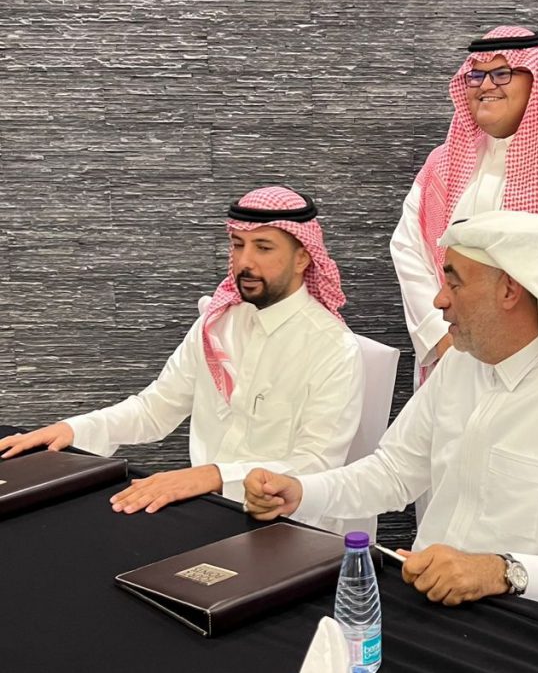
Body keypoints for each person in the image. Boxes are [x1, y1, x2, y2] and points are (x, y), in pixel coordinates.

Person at [244, 211, 538, 634]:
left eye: (455, 283)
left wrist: (501, 572)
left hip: (532, 627)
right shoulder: (460, 365)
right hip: (428, 607)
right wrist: (301, 492)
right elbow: (392, 472)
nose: (438, 300)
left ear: (509, 290)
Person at [0, 186, 364, 514]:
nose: (244, 262)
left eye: (263, 247)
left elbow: (316, 465)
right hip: (209, 507)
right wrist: (71, 430)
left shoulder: (333, 348)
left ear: (303, 258)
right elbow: (155, 408)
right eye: (238, 244)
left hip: (288, 522)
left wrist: (213, 476)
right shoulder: (219, 322)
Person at [390, 25, 538, 379]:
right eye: (476, 75)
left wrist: (486, 343)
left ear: (537, 81)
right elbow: (409, 250)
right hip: (450, 361)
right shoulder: (443, 163)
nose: (486, 85)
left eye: (502, 73)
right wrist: (441, 338)